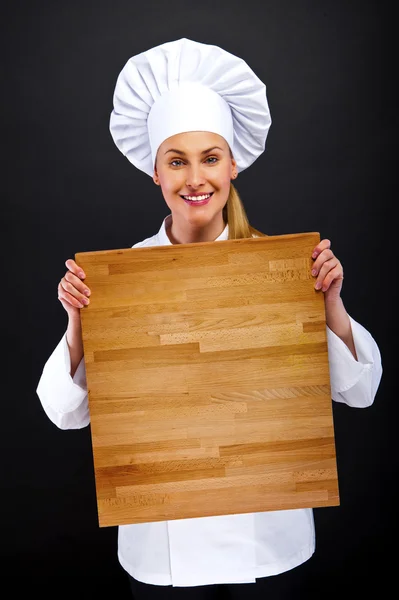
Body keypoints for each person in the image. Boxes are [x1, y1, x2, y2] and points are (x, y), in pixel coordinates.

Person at [36, 38, 382, 598]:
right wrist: (78, 321)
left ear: (232, 165)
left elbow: (360, 392)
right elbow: (64, 413)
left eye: (209, 158)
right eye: (177, 161)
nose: (195, 178)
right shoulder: (120, 281)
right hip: (162, 546)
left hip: (268, 538)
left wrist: (330, 303)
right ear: (155, 173)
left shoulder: (282, 269)